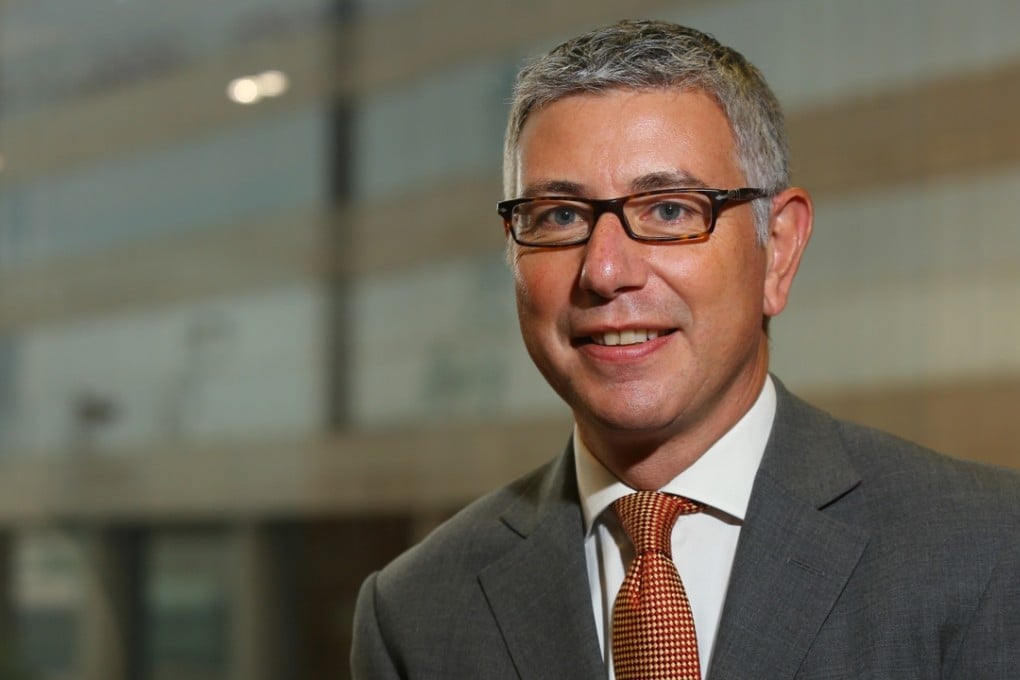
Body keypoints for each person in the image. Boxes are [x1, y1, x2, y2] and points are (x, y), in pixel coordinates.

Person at [351, 20, 1019, 679]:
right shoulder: (413, 614)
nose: (606, 271)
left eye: (669, 209)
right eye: (558, 217)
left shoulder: (988, 549)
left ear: (778, 250)